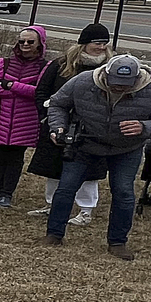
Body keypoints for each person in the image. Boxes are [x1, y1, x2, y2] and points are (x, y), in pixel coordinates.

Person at [41, 54, 151, 260]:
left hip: (127, 149)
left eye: (125, 84)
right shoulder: (83, 81)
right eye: (114, 83)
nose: (118, 88)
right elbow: (57, 104)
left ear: (137, 78)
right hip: (86, 144)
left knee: (124, 192)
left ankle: (117, 242)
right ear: (105, 74)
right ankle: (54, 234)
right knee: (66, 187)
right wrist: (58, 127)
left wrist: (145, 127)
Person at [27, 23, 111, 223]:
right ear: (83, 44)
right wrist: (46, 115)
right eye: (96, 43)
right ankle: (52, 204)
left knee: (89, 170)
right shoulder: (61, 65)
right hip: (60, 123)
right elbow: (42, 91)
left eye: (104, 43)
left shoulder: (109, 68)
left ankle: (85, 210)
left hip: (93, 127)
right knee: (54, 165)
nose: (101, 47)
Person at [0, 26, 48, 208]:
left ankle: (6, 193)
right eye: (22, 41)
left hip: (25, 121)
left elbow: (40, 92)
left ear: (40, 43)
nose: (25, 44)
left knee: (15, 158)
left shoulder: (44, 66)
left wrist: (10, 84)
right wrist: (20, 90)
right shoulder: (4, 62)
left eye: (30, 41)